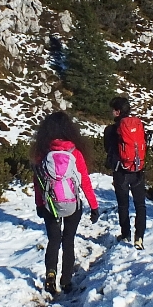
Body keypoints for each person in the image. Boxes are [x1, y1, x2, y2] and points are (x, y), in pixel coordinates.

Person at [32, 111, 99, 295]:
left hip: (50, 205)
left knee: (54, 240)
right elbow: (84, 181)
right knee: (68, 241)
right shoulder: (75, 151)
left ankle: (50, 275)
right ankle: (67, 280)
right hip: (72, 205)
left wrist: (39, 204)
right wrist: (94, 207)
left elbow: (38, 182)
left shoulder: (42, 152)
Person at [104, 96, 148, 248]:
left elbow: (107, 149)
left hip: (120, 171)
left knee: (123, 205)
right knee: (140, 205)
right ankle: (139, 237)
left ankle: (125, 234)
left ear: (117, 112)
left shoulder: (110, 130)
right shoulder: (138, 125)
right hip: (138, 170)